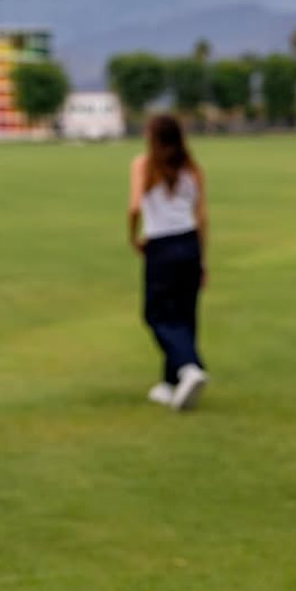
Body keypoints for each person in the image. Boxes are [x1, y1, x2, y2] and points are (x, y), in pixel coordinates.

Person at [127, 114, 209, 411]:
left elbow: (134, 206)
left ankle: (189, 366)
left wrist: (133, 236)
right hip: (189, 243)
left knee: (157, 314)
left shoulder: (144, 165)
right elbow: (202, 217)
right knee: (184, 315)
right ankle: (169, 384)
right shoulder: (192, 168)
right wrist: (202, 260)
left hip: (161, 245)